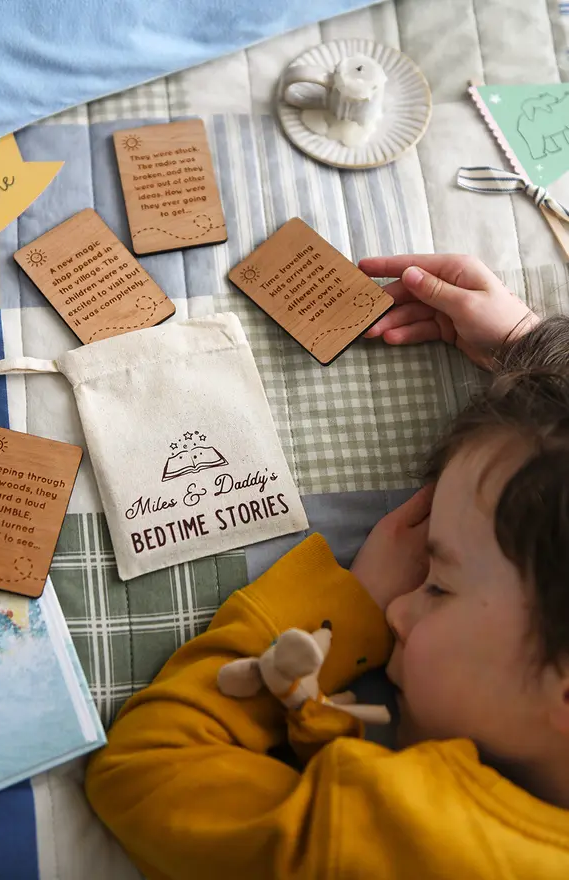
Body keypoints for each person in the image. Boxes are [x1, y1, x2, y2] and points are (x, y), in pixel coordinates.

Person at [85, 255, 569, 879]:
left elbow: (148, 768)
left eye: (439, 586)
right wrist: (538, 359)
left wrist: (340, 611)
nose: (400, 604)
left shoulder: (398, 839)